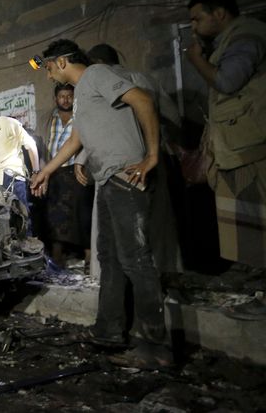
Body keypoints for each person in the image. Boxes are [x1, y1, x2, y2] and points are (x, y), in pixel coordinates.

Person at [29, 39, 172, 369]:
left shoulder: (96, 74)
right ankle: (109, 331)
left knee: (135, 258)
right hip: (108, 179)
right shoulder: (83, 92)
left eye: (48, 68)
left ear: (62, 62)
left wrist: (152, 155)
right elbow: (78, 137)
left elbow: (142, 100)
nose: (48, 75)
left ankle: (155, 347)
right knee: (109, 257)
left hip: (127, 176)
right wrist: (47, 171)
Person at [84, 43, 183, 277]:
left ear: (96, 63)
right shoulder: (146, 79)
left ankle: (122, 283)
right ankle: (165, 274)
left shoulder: (98, 83)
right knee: (157, 223)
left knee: (114, 233)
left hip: (114, 167)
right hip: (150, 161)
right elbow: (173, 119)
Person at [185, 0, 266, 268]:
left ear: (219, 13)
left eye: (197, 19)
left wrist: (196, 59)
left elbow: (227, 81)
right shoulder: (228, 41)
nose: (193, 25)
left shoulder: (246, 36)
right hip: (237, 149)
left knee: (254, 224)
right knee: (244, 228)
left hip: (250, 149)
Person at [42, 82, 92, 269]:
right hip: (54, 172)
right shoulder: (48, 119)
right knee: (55, 215)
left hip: (78, 170)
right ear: (55, 98)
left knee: (82, 213)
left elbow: (85, 143)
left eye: (69, 96)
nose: (65, 100)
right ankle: (58, 255)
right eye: (61, 96)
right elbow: (42, 143)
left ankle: (88, 256)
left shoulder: (81, 117)